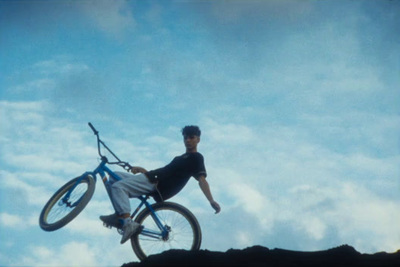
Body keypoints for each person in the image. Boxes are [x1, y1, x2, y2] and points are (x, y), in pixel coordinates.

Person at [100, 125, 221, 244]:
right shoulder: (179, 158)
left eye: (191, 137)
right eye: (185, 138)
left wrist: (211, 200)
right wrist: (143, 170)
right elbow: (166, 172)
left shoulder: (196, 158)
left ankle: (127, 222)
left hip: (157, 185)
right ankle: (119, 216)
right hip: (152, 179)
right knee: (113, 177)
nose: (188, 140)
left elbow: (202, 180)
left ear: (198, 139)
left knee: (118, 187)